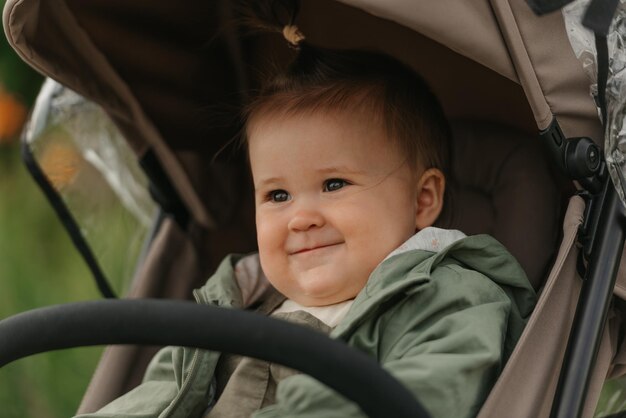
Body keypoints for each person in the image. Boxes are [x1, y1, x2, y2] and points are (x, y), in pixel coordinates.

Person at [76, 2, 536, 417]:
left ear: (422, 200)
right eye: (278, 196)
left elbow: (431, 391)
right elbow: (159, 395)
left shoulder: (450, 300)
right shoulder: (234, 303)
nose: (301, 218)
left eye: (334, 184)